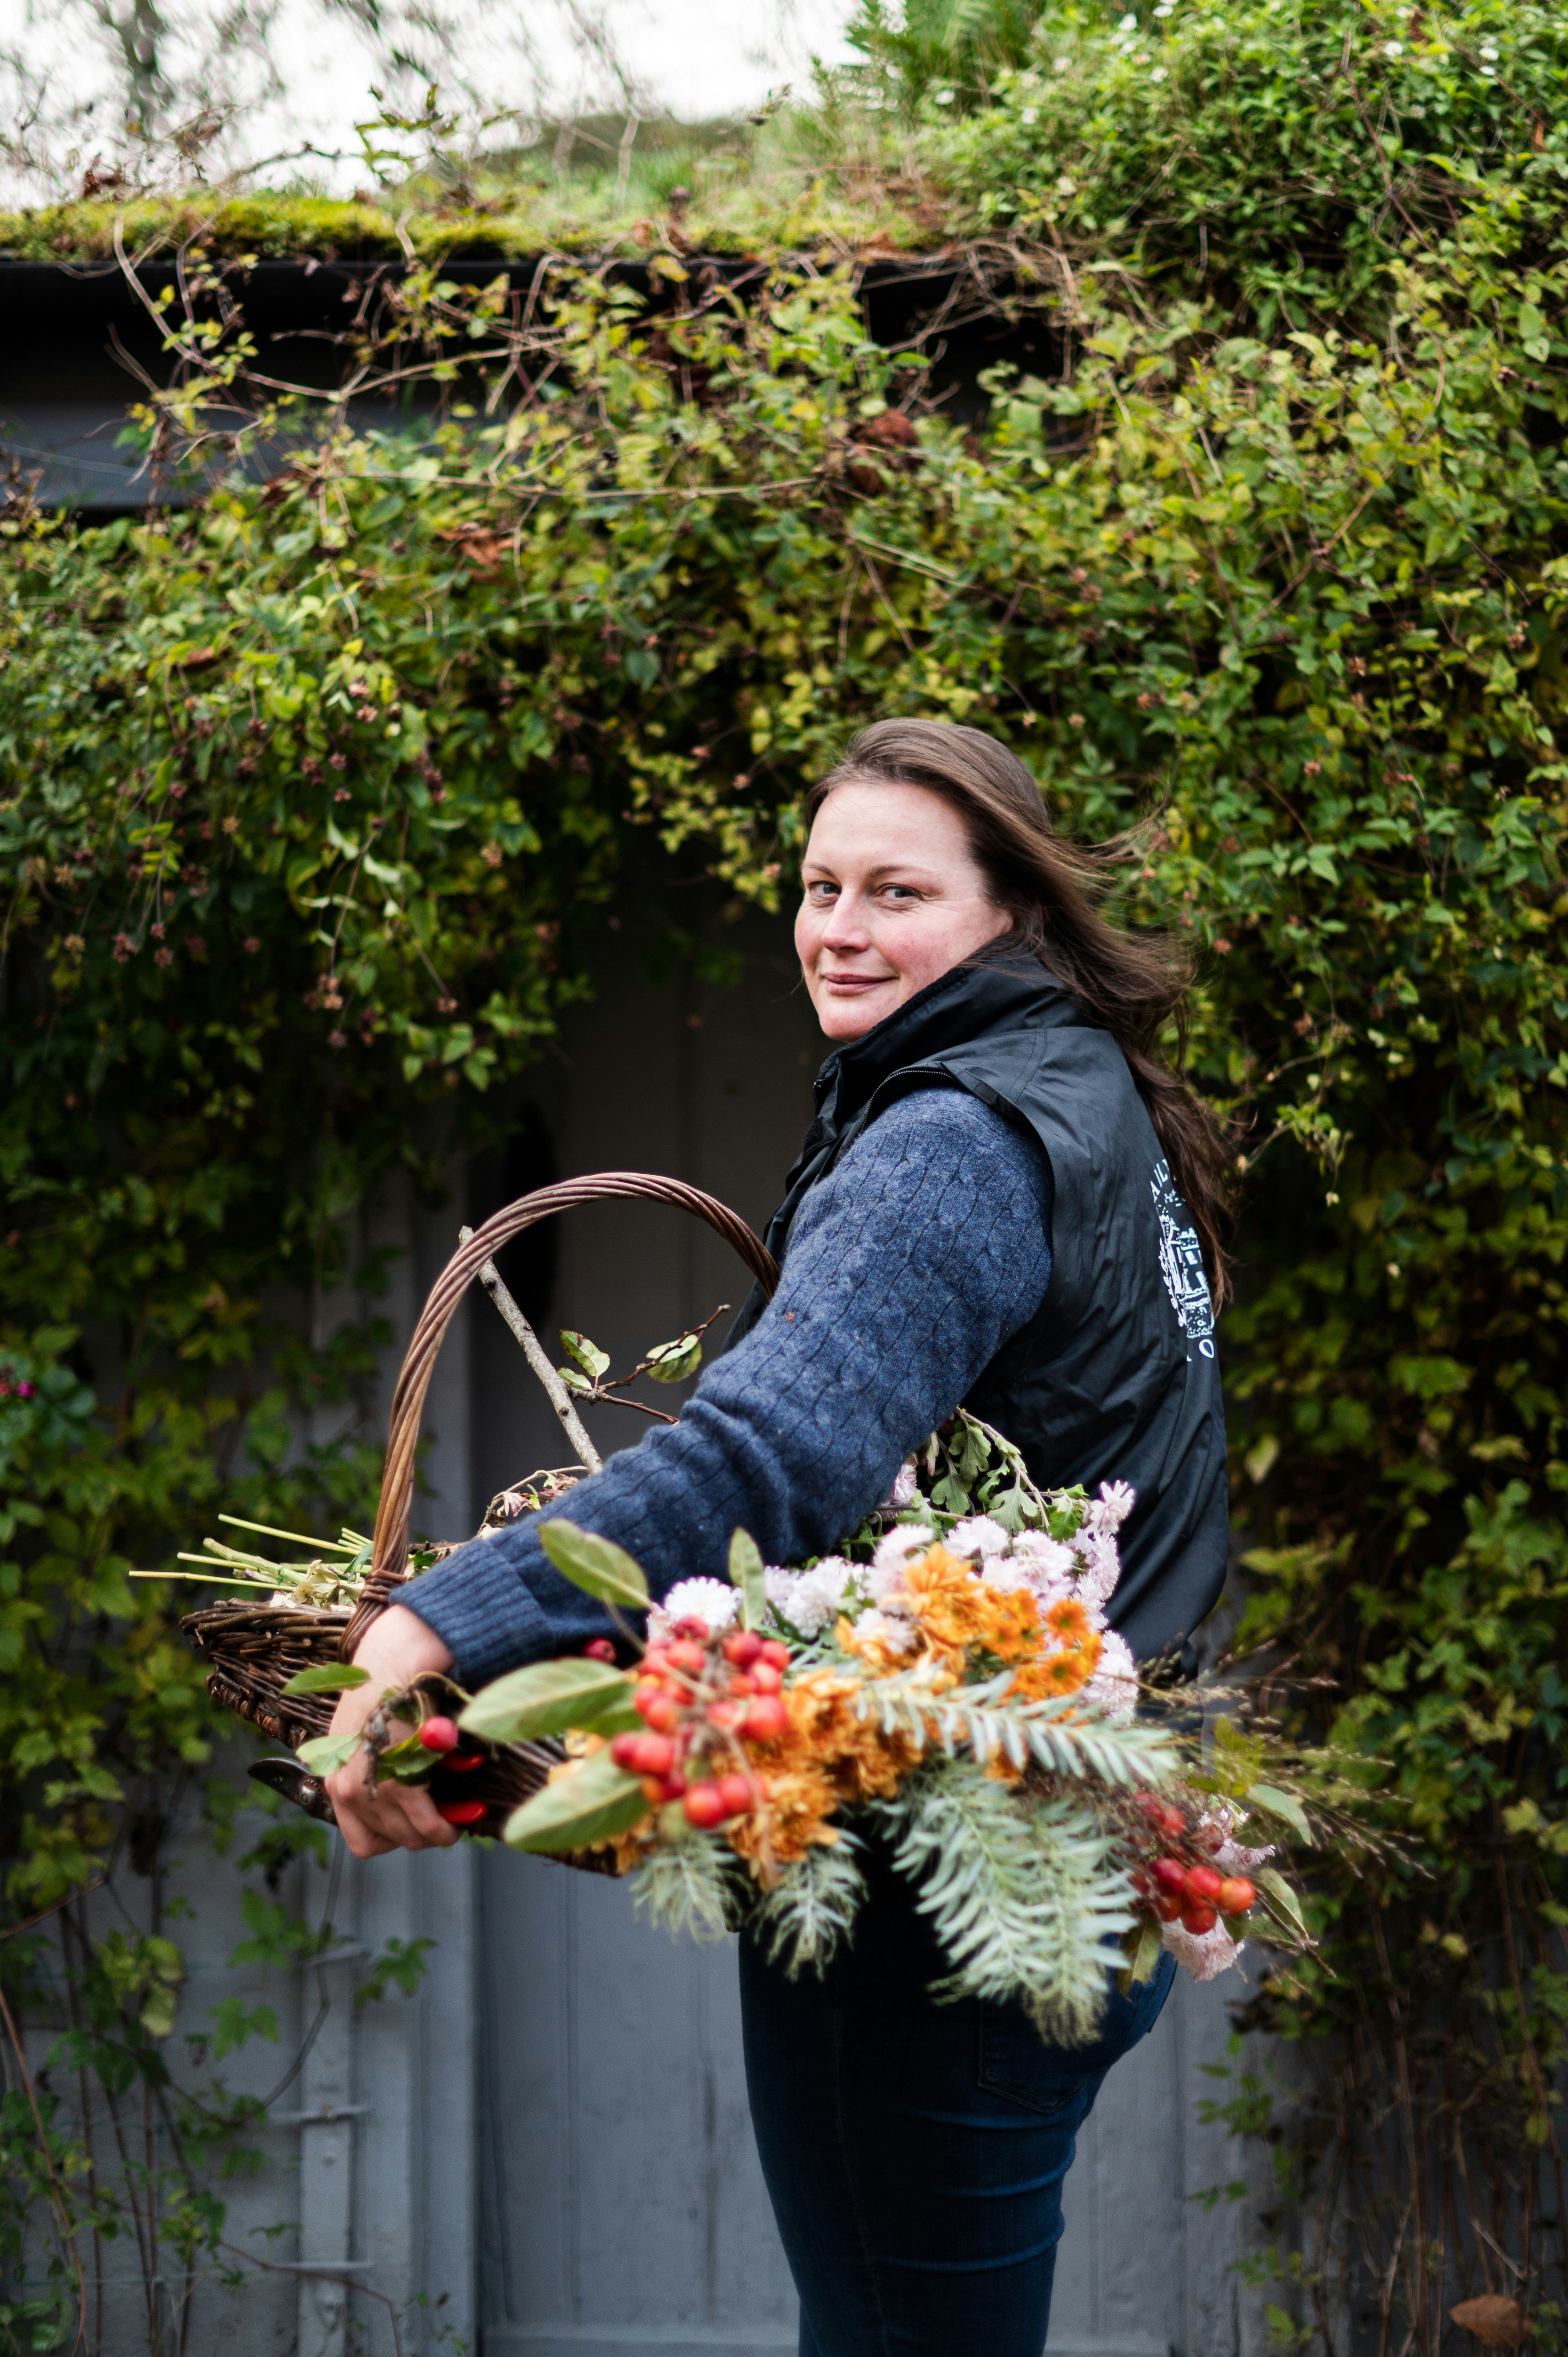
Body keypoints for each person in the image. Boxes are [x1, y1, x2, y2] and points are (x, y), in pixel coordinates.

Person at [324, 718, 1231, 2357]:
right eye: (821, 886)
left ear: (1014, 910)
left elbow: (774, 1454)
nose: (840, 928)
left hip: (946, 1908)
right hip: (1063, 1864)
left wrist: (437, 1624)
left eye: (898, 890)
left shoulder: (956, 1138)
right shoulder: (1088, 1095)